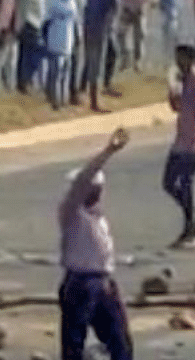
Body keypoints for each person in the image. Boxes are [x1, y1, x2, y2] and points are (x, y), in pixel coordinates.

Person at [57, 128, 133, 360]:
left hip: (102, 283)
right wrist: (108, 151)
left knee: (120, 343)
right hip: (81, 283)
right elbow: (83, 180)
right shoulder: (72, 213)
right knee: (74, 346)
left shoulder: (97, 217)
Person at [165, 45, 195, 249]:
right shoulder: (182, 81)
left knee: (185, 184)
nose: (178, 63)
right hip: (180, 140)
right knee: (168, 183)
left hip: (193, 143)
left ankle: (190, 229)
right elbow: (176, 107)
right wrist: (172, 89)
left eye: (182, 59)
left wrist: (193, 141)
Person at [81, 0, 120, 112]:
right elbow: (113, 9)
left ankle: (85, 91)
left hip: (88, 26)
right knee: (96, 64)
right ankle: (94, 103)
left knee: (91, 61)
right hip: (100, 29)